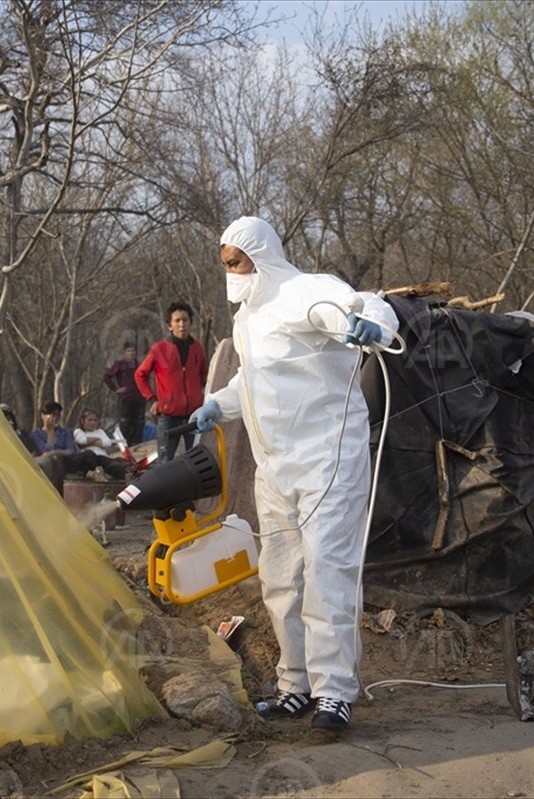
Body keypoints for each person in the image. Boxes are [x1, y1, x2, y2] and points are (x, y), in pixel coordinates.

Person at [188, 216, 398, 735]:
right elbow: (253, 379)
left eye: (235, 262)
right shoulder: (249, 317)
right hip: (274, 466)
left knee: (328, 573)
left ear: (258, 255)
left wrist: (374, 326)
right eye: (224, 264)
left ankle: (335, 693)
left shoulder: (307, 292)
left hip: (326, 459)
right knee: (281, 579)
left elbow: (366, 306)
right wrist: (218, 403)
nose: (230, 273)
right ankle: (294, 686)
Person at [135, 302, 208, 462]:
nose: (182, 324)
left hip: (194, 415)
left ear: (190, 322)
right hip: (168, 416)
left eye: (185, 320)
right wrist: (152, 399)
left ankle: (192, 488)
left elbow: (204, 374)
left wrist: (202, 394)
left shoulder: (197, 348)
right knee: (164, 462)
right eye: (177, 321)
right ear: (169, 325)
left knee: (196, 460)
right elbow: (140, 375)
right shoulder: (159, 349)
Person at [102, 343, 146, 445]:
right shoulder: (120, 364)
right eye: (129, 351)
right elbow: (106, 376)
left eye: (133, 351)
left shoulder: (139, 364)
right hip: (126, 398)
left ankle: (137, 445)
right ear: (124, 352)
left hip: (139, 398)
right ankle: (125, 446)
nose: (131, 353)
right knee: (125, 422)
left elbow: (146, 378)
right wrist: (115, 389)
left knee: (139, 423)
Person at [72, 408, 126, 481]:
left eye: (95, 420)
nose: (93, 423)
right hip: (88, 459)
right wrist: (97, 439)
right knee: (90, 456)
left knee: (118, 467)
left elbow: (107, 443)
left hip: (102, 457)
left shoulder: (100, 431)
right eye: (90, 420)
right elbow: (82, 441)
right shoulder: (79, 431)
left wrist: (89, 442)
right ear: (83, 421)